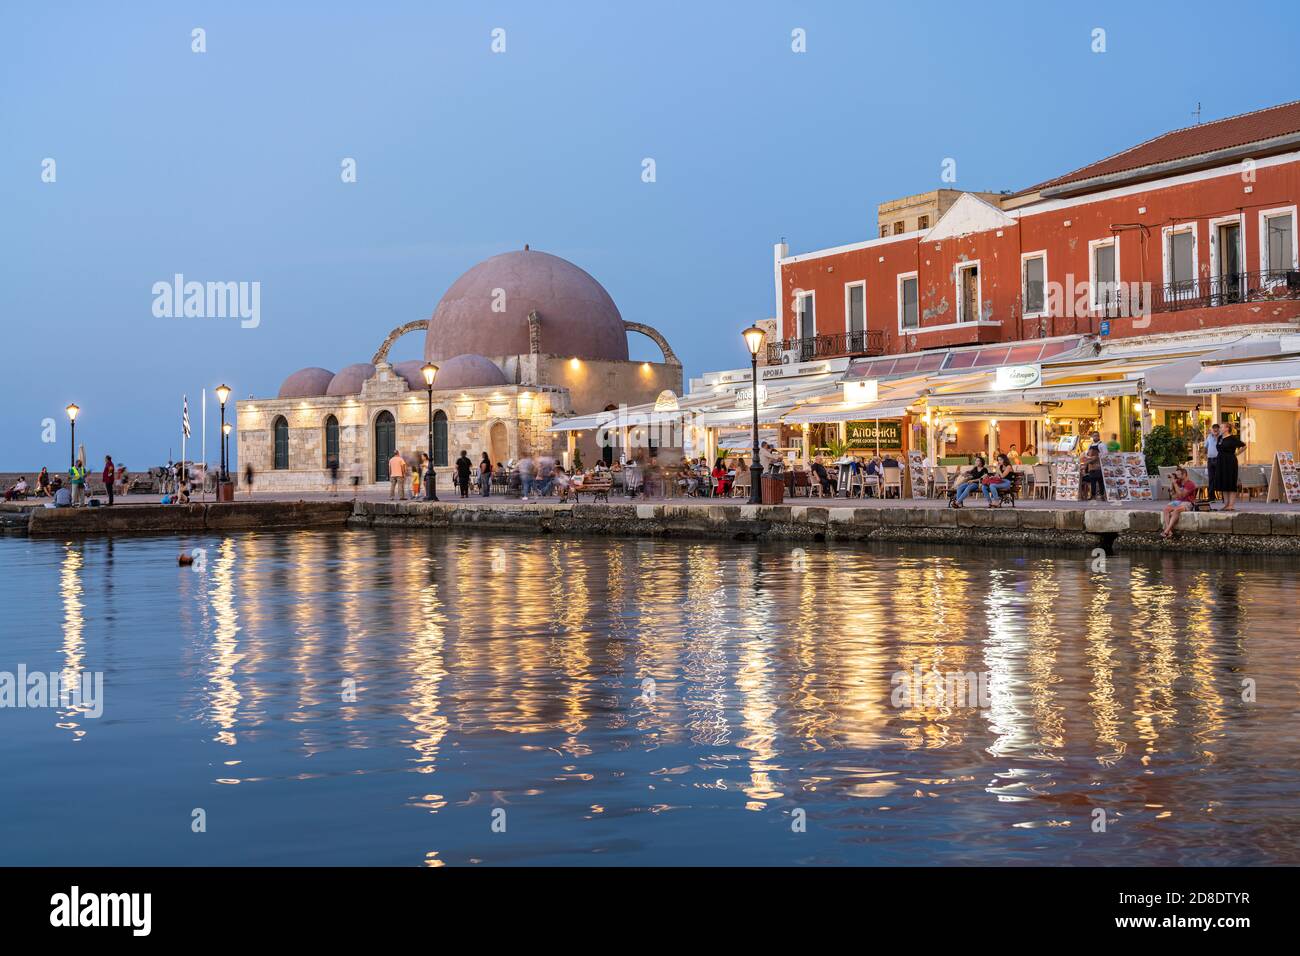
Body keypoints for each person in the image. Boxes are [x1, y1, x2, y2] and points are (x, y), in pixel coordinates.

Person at [1214, 423, 1245, 511]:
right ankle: (1226, 504)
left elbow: (1244, 445)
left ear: (1227, 428)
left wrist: (1236, 453)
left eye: (1221, 427)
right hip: (1221, 461)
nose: (1220, 428)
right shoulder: (1220, 438)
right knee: (1223, 482)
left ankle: (1231, 505)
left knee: (1230, 482)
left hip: (1230, 461)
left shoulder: (1232, 438)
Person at [1162, 467, 1198, 538]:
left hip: (1188, 502)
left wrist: (1175, 484)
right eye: (1176, 474)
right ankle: (1169, 531)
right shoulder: (1178, 482)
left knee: (1176, 510)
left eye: (1178, 475)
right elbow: (1173, 495)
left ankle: (1166, 531)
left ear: (1184, 474)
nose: (1177, 476)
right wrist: (1172, 483)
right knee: (1166, 509)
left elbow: (1182, 495)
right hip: (1178, 501)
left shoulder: (1190, 484)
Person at [1080, 432, 1105, 501]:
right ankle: (1093, 496)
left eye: (1096, 436)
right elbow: (1087, 454)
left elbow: (1105, 455)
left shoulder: (1102, 445)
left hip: (1099, 466)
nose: (1095, 437)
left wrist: (1095, 458)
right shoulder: (1090, 445)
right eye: (1094, 436)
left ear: (1099, 436)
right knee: (1093, 481)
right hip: (1091, 466)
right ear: (1092, 437)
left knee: (1100, 481)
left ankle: (1102, 495)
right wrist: (1087, 459)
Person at [1204, 422, 1220, 502]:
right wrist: (1204, 455)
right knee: (1211, 478)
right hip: (1210, 459)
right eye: (1214, 430)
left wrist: (1217, 437)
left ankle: (1222, 496)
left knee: (1218, 478)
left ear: (1219, 430)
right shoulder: (1209, 437)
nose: (1215, 431)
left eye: (1216, 430)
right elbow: (1205, 447)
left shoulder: (1221, 437)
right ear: (1212, 430)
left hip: (1218, 459)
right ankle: (1211, 497)